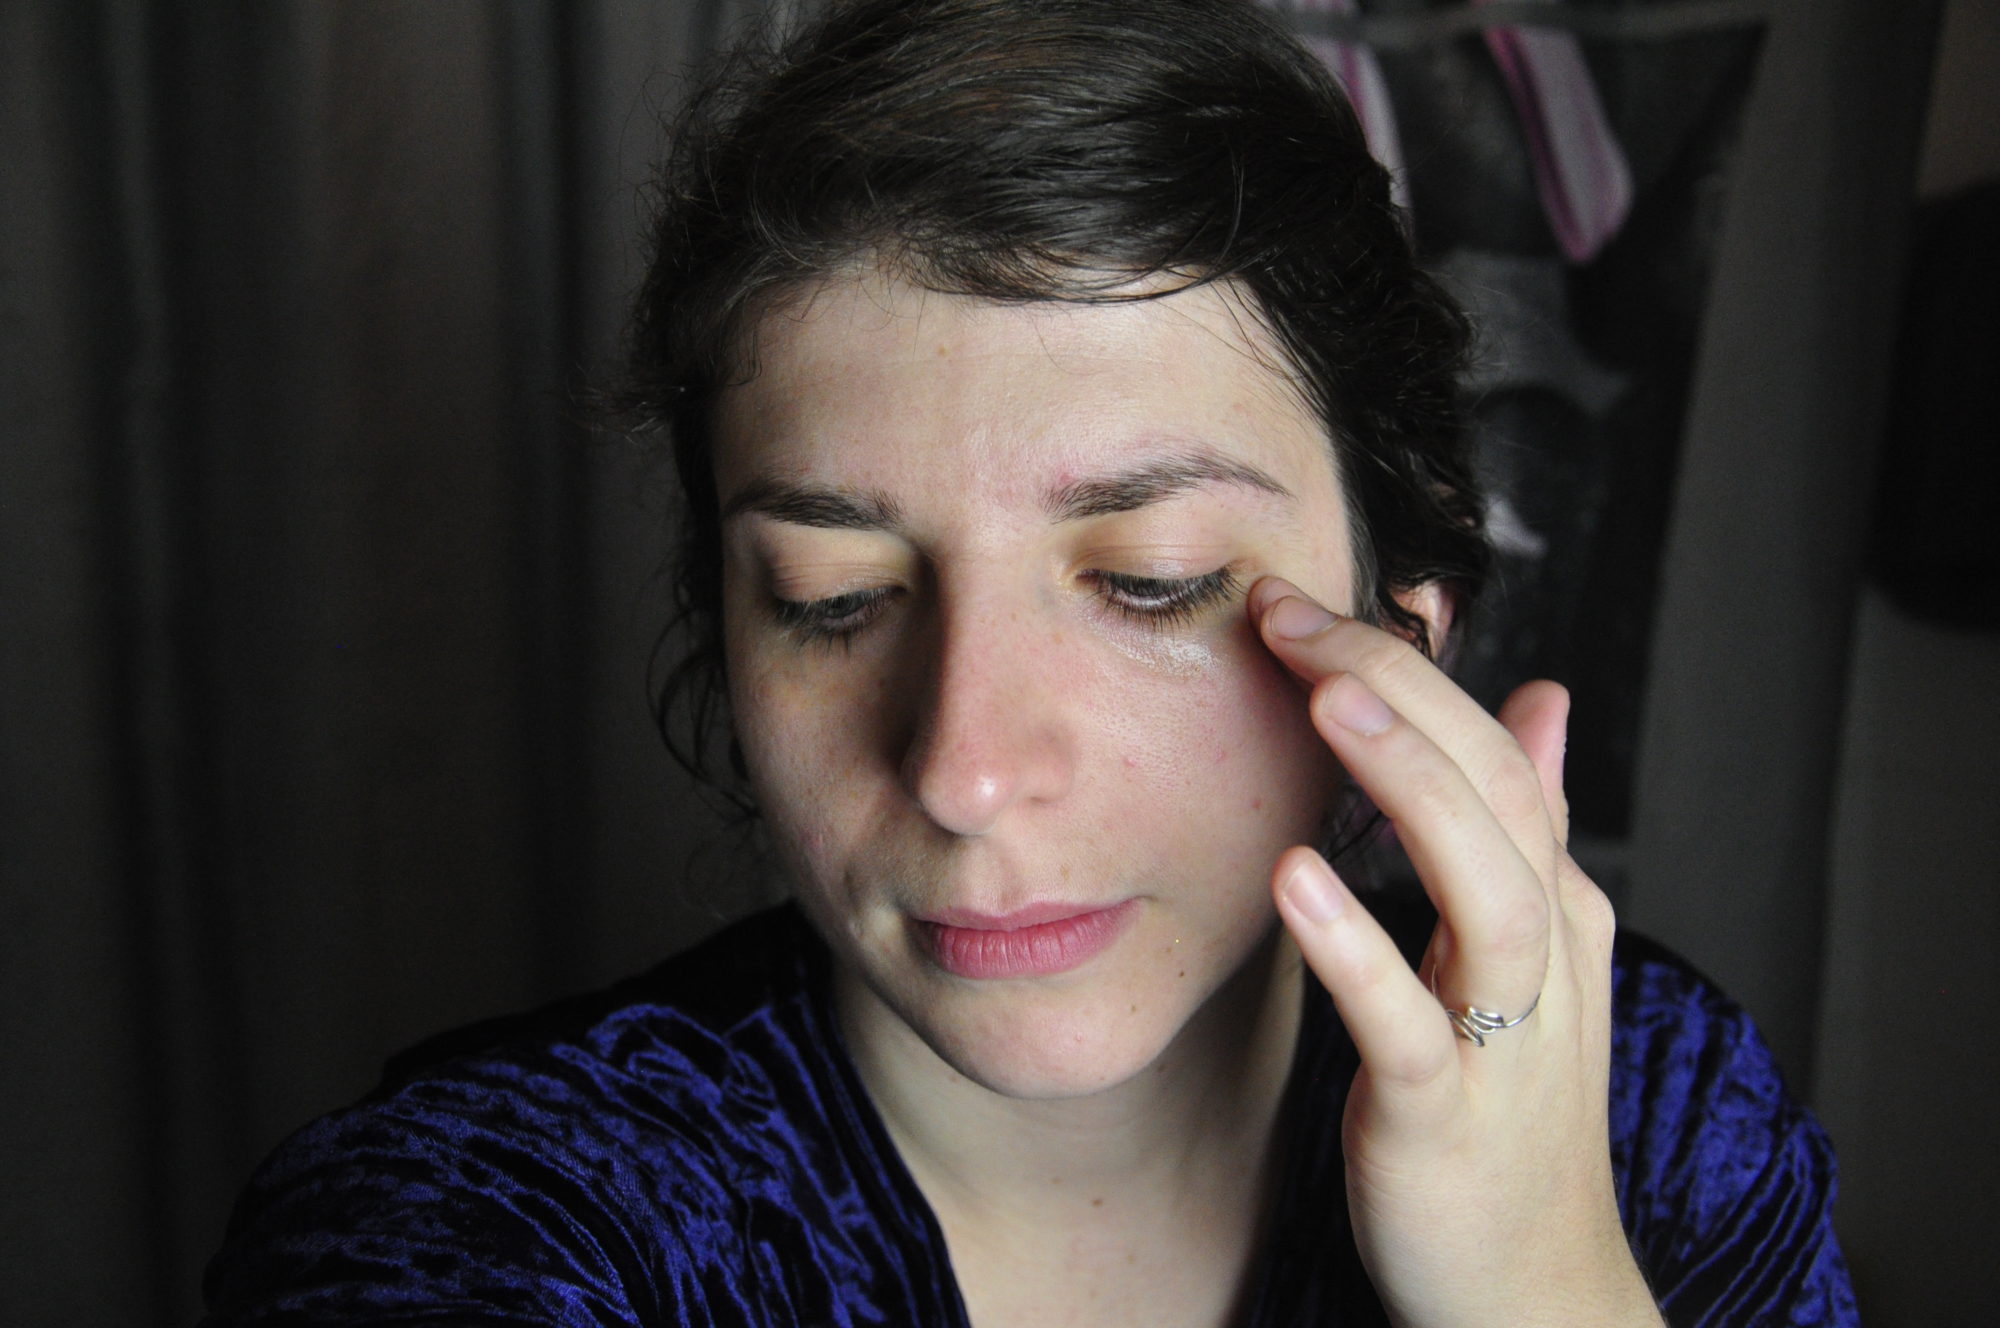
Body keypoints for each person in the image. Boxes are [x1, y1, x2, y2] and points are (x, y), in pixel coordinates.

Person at [200, 1, 1857, 1323]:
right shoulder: (484, 1220)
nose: (965, 769)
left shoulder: (1648, 1118)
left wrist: (1543, 1288)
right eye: (835, 598)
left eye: (1151, 584)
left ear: (1404, 631)